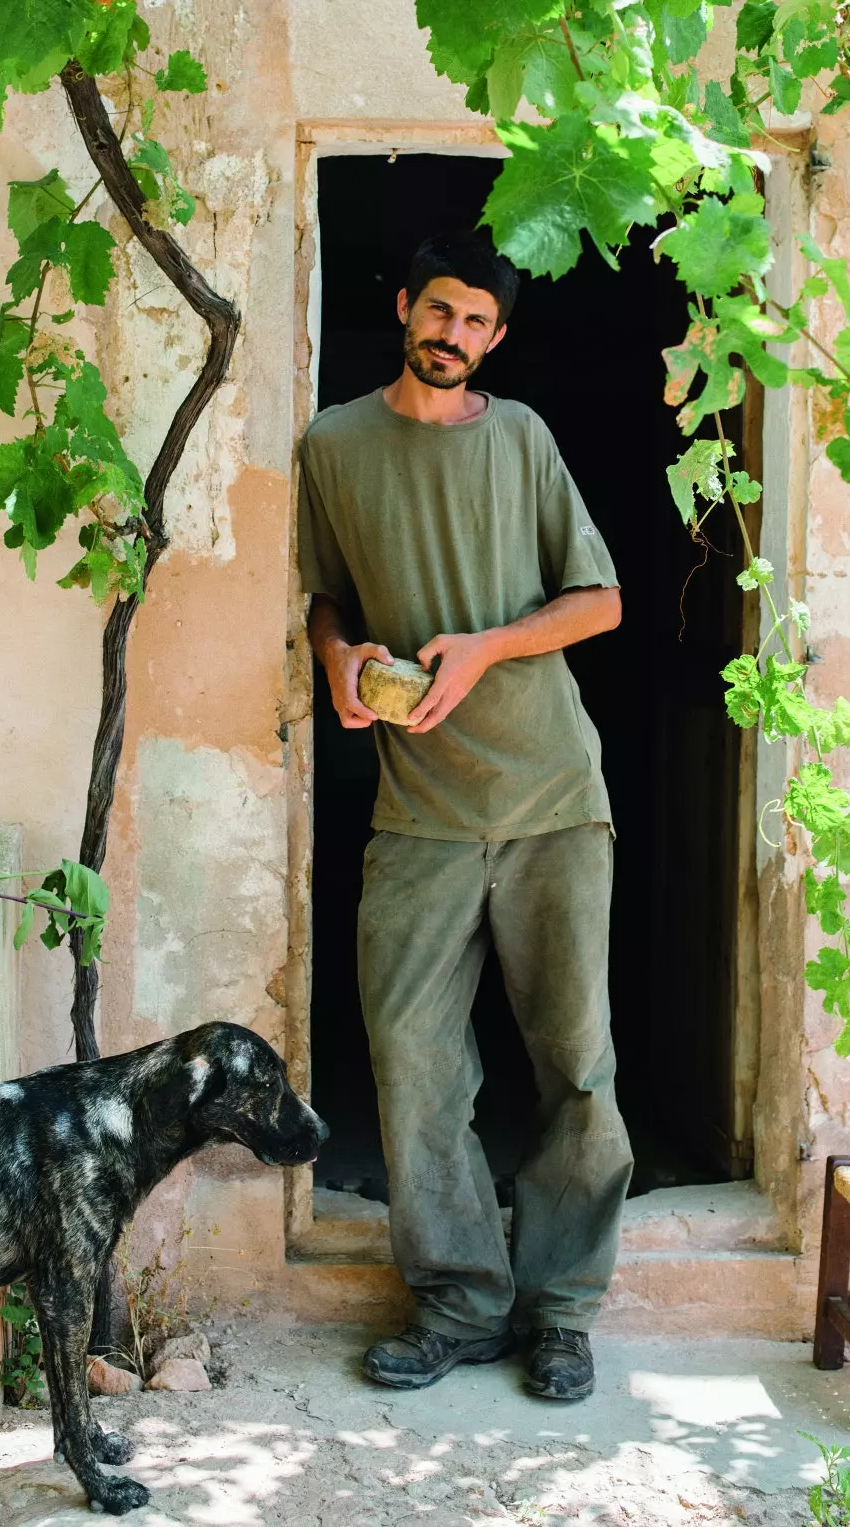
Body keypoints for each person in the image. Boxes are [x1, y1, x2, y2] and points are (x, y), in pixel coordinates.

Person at [297, 230, 632, 1403]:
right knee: (412, 1059)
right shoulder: (334, 444)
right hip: (420, 807)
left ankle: (561, 1310)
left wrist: (490, 643)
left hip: (550, 795)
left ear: (496, 334)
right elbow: (326, 591)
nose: (456, 335)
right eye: (442, 310)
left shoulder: (524, 436)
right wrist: (338, 659)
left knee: (574, 1060)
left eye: (479, 321)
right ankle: (457, 1301)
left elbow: (601, 601)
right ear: (403, 306)